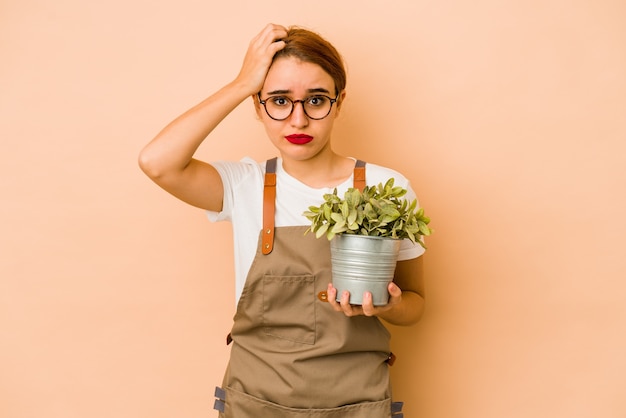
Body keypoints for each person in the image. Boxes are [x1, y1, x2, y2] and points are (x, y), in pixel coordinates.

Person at [139, 23, 426, 418]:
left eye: (316, 100)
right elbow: (157, 162)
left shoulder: (386, 189)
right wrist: (242, 83)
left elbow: (415, 304)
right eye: (278, 100)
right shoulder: (244, 185)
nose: (298, 120)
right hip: (254, 404)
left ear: (339, 103)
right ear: (258, 107)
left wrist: (387, 307)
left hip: (357, 405)